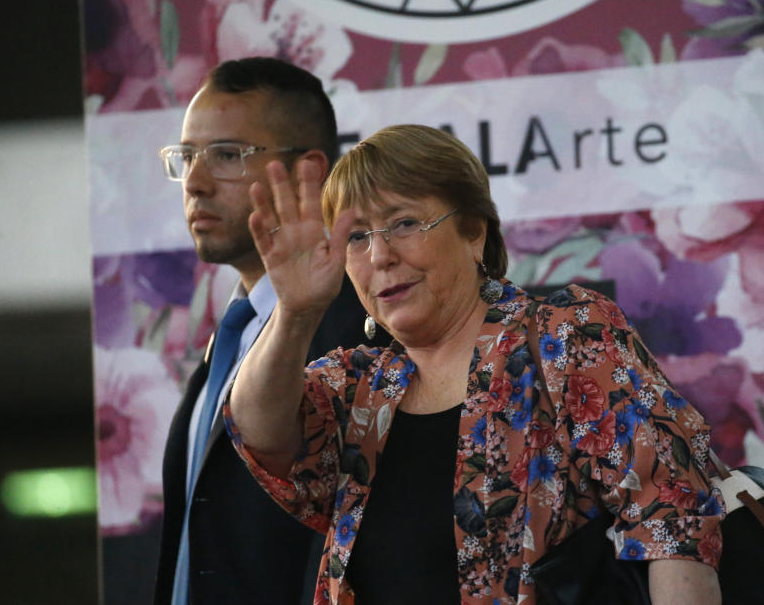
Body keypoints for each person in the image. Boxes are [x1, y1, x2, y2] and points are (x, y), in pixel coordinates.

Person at [225, 124, 724, 603]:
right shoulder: (357, 388)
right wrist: (294, 314)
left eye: (403, 223)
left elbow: (672, 519)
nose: (379, 255)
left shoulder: (566, 337)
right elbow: (258, 432)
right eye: (356, 237)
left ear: (473, 231)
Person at [153, 57, 386, 605]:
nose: (196, 182)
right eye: (187, 157)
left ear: (311, 170)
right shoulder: (230, 333)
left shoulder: (365, 333)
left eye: (227, 155)